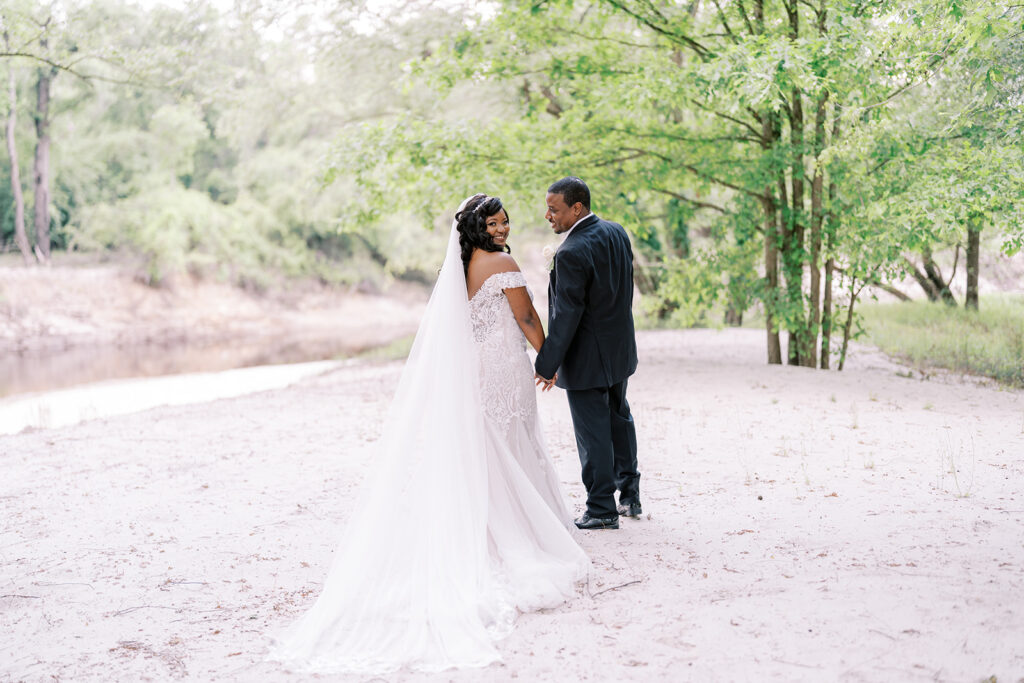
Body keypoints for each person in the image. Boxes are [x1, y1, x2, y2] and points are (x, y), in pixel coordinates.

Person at [268, 194, 588, 675]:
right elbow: (525, 318)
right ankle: (518, 532)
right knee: (514, 443)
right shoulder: (501, 263)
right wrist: (550, 359)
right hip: (502, 367)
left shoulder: (457, 270)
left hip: (476, 370)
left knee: (488, 448)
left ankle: (489, 525)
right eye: (496, 223)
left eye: (506, 223)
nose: (503, 229)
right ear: (480, 227)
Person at [535, 177, 641, 531]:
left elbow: (566, 317)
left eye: (554, 209)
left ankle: (600, 508)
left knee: (593, 432)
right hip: (619, 347)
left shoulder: (570, 252)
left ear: (576, 208)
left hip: (587, 357)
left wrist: (547, 364)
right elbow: (625, 287)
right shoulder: (616, 232)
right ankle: (630, 495)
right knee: (618, 418)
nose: (548, 216)